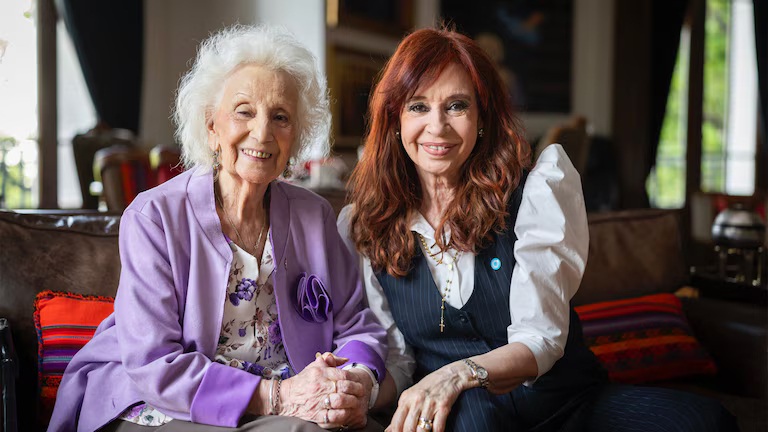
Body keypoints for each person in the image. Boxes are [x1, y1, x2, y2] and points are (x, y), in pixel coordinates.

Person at [338, 27, 739, 432]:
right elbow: (399, 360)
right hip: (471, 417)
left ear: (482, 117)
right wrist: (360, 392)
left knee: (705, 422)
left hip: (566, 404)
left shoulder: (535, 192)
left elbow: (540, 339)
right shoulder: (366, 226)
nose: (437, 126)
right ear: (395, 119)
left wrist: (455, 374)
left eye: (457, 105)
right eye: (418, 106)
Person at [49, 24, 386, 432]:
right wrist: (279, 396)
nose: (262, 132)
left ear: (295, 138)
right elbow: (154, 363)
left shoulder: (313, 215)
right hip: (163, 398)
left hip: (283, 401)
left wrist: (354, 383)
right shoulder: (154, 217)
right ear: (212, 126)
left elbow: (357, 324)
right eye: (244, 111)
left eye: (280, 117)